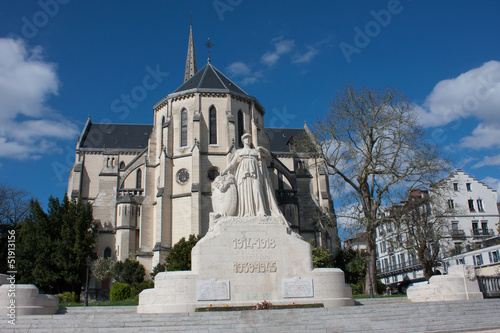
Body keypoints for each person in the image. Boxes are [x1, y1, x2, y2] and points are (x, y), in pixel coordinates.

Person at [221, 133, 283, 218]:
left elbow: (268, 154)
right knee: (243, 192)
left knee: (257, 190)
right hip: (243, 174)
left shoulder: (255, 151)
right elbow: (232, 163)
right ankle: (245, 212)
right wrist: (224, 170)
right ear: (243, 141)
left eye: (249, 138)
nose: (248, 140)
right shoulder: (239, 152)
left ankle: (260, 211)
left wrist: (261, 149)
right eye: (246, 138)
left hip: (255, 174)